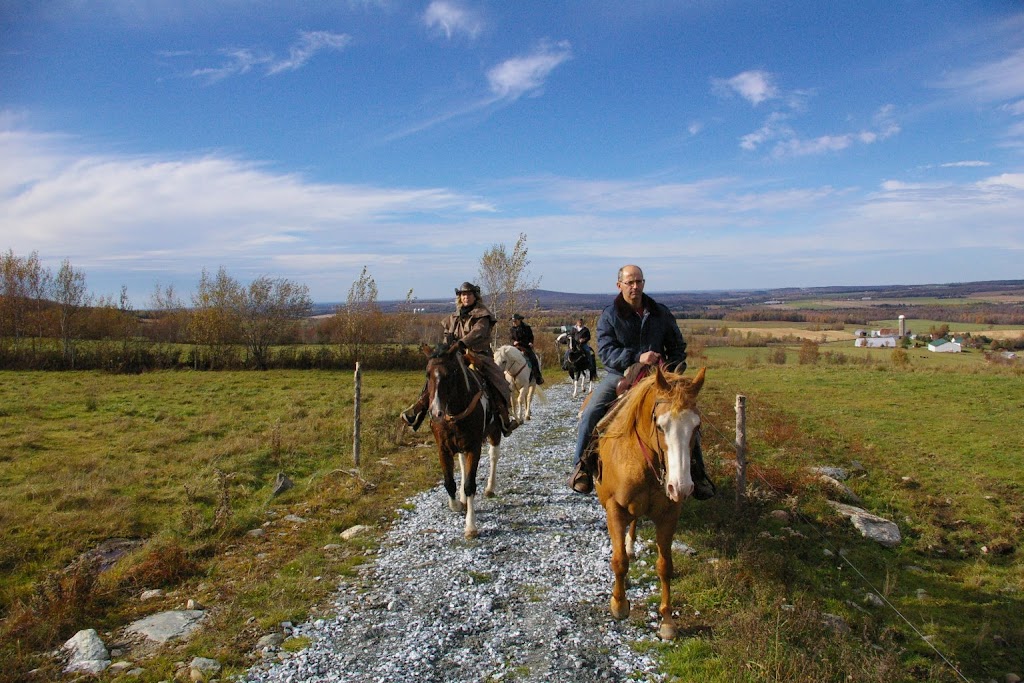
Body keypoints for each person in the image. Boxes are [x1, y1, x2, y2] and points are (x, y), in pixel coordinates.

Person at [569, 265, 715, 499]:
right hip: (621, 375)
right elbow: (606, 352)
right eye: (630, 282)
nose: (635, 286)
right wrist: (637, 357)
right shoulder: (610, 315)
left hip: (659, 377)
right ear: (619, 285)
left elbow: (677, 345)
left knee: (686, 419)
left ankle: (697, 473)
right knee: (591, 413)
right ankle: (582, 467)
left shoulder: (660, 312)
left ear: (644, 284)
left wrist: (671, 369)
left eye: (639, 282)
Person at [401, 282, 520, 437]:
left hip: (479, 355)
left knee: (497, 380)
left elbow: (478, 332)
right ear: (460, 297)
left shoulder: (483, 314)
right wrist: (446, 344)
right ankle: (418, 411)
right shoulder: (454, 317)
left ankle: (504, 418)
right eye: (463, 295)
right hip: (455, 356)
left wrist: (461, 343)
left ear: (474, 296)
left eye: (469, 294)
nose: (466, 297)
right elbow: (447, 335)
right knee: (436, 376)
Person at [509, 313, 544, 385]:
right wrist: (513, 342)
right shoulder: (512, 329)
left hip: (525, 346)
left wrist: (531, 342)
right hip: (515, 347)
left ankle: (538, 376)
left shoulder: (526, 327)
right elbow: (511, 338)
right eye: (513, 321)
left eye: (515, 321)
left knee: (533, 358)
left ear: (519, 320)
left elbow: (531, 337)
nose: (514, 323)